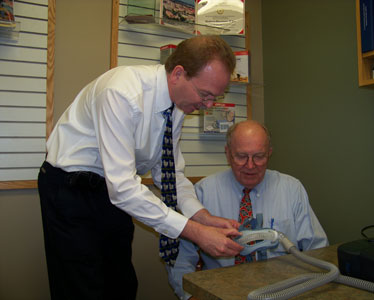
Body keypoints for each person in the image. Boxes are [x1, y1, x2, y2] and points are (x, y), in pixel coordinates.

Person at [37, 35, 244, 300]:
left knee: (121, 284)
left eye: (215, 97)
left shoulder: (177, 106)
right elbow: (123, 188)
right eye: (205, 94)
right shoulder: (121, 92)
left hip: (110, 192)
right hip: (71, 189)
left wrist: (202, 217)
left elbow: (168, 172)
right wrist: (196, 233)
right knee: (83, 288)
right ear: (178, 73)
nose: (209, 105)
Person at [166, 120, 329, 300]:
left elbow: (318, 251)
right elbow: (180, 260)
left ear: (269, 154)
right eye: (241, 156)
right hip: (221, 292)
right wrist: (190, 296)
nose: (250, 166)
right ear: (228, 154)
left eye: (259, 156)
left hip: (284, 290)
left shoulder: (291, 189)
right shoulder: (202, 193)